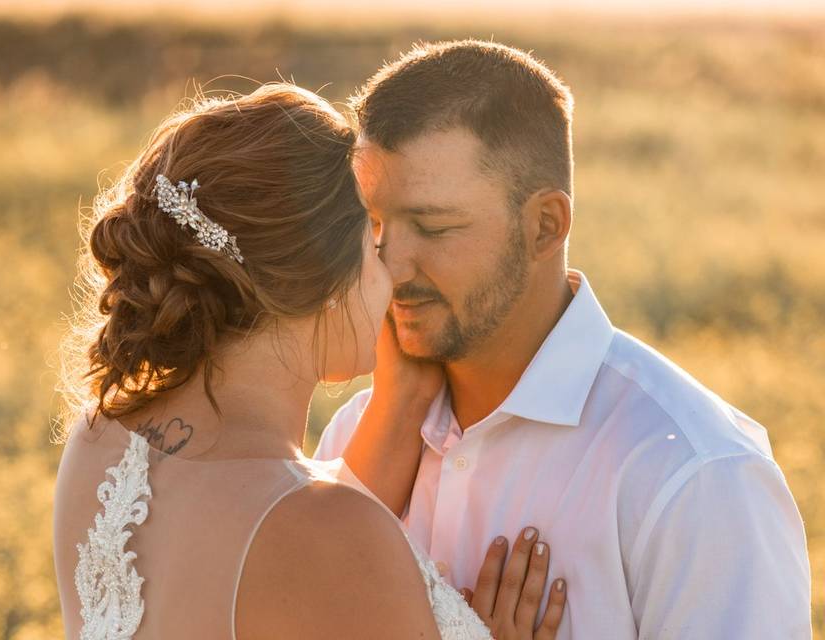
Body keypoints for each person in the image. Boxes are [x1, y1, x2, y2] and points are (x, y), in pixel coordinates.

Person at [314, 40, 812, 639]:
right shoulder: (358, 436)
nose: (389, 264)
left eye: (434, 227)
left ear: (545, 225)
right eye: (373, 224)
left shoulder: (692, 473)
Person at [52, 83, 567, 639]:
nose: (393, 275)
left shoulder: (99, 444)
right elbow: (298, 544)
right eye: (374, 245)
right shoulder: (334, 531)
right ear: (325, 282)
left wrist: (401, 406)